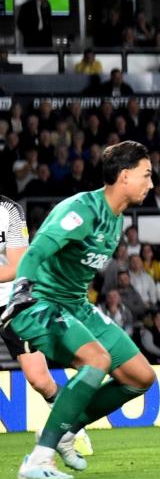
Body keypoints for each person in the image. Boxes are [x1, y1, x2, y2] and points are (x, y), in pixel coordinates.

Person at [2, 141, 157, 479]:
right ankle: (40, 458)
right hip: (40, 303)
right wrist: (23, 290)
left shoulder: (115, 220)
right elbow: (36, 250)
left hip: (76, 307)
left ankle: (66, 428)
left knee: (141, 377)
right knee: (97, 361)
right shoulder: (82, 210)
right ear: (125, 176)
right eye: (146, 175)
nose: (152, 183)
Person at [0, 195, 95, 459]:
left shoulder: (8, 210)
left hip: (11, 304)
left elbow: (18, 265)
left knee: (39, 380)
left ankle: (71, 427)